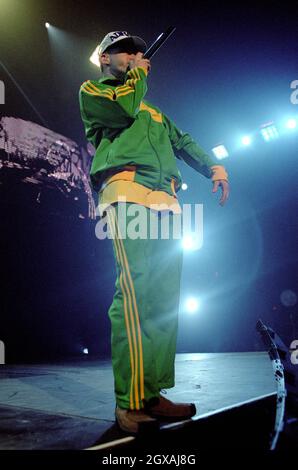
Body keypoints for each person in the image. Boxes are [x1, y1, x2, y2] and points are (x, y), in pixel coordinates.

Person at [79, 31, 229, 434]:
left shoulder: (155, 111)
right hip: (127, 194)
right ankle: (128, 401)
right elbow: (124, 107)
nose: (136, 56)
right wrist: (137, 76)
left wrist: (213, 165)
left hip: (166, 201)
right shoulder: (96, 91)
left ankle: (152, 394)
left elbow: (183, 140)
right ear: (105, 58)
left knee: (163, 301)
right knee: (134, 291)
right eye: (126, 51)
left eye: (140, 52)